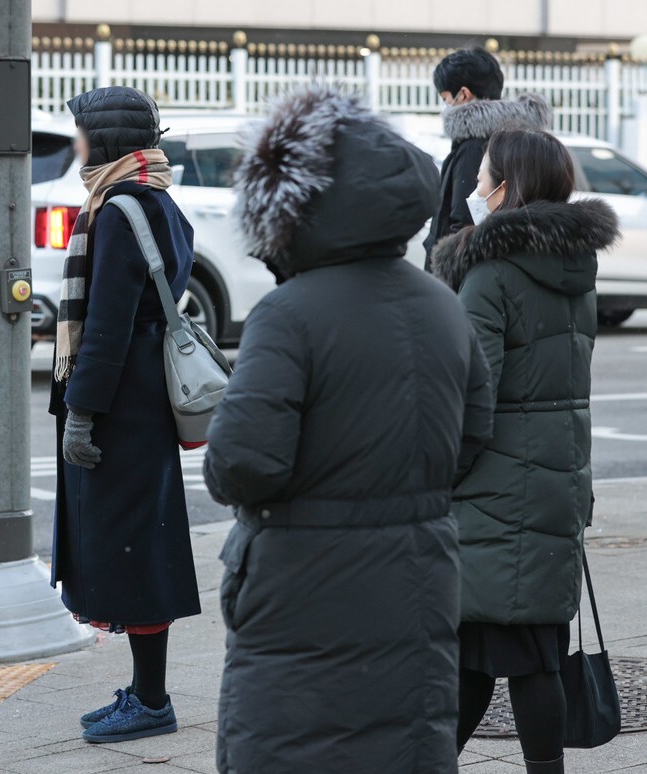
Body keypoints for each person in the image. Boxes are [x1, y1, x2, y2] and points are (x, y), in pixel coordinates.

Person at [203, 85, 495, 774]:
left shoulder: (288, 313)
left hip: (302, 581)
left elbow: (243, 464)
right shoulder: (440, 304)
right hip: (419, 569)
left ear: (288, 208)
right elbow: (475, 430)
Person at [431, 130, 620, 773]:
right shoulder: (575, 269)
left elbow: (470, 400)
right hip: (554, 484)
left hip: (493, 490)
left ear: (507, 188)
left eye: (482, 177)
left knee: (473, 658)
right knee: (532, 652)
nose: (472, 190)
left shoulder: (488, 273)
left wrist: (437, 479)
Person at [48, 85, 201, 745]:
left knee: (129, 553)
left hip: (121, 407)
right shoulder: (159, 199)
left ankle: (152, 701)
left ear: (105, 140)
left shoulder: (117, 209)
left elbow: (107, 325)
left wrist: (82, 413)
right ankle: (144, 691)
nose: (78, 143)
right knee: (140, 545)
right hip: (144, 401)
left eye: (83, 133)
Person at [423, 47, 552, 269]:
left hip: (462, 274)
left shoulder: (473, 146)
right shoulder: (518, 140)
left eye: (445, 98)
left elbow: (462, 221)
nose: (444, 106)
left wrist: (445, 271)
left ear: (463, 94)